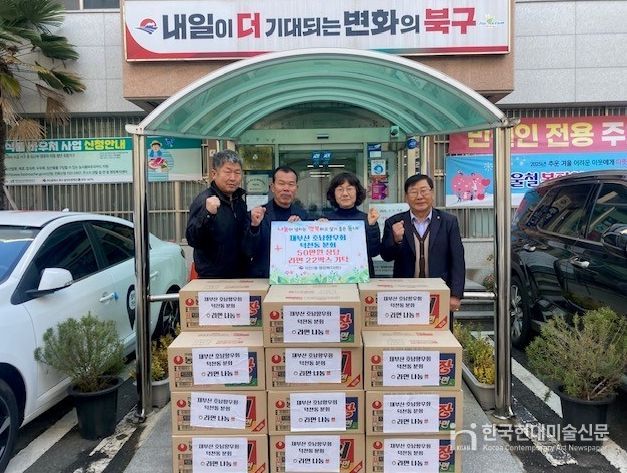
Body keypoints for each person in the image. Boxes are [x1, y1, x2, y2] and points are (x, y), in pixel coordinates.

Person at [380, 173, 465, 318]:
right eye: (413, 192)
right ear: (406, 197)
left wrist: (456, 294)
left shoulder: (448, 222)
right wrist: (396, 240)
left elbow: (457, 260)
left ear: (432, 193)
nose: (419, 196)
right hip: (405, 296)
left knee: (440, 332)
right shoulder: (394, 222)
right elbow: (386, 256)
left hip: (439, 293)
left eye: (424, 191)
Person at [185, 150, 262, 278]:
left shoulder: (239, 202)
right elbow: (193, 239)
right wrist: (208, 214)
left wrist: (254, 226)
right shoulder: (204, 200)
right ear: (214, 174)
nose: (233, 178)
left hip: (240, 276)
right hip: (212, 278)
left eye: (237, 173)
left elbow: (245, 241)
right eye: (227, 172)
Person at [247, 166, 309, 278]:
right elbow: (248, 250)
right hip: (264, 278)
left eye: (291, 184)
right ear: (272, 187)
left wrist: (301, 230)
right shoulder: (257, 214)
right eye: (281, 183)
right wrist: (254, 226)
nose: (286, 188)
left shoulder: (304, 216)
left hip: (295, 277)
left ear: (296, 188)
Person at [325, 172, 380, 277]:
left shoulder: (367, 219)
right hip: (334, 276)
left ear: (357, 192)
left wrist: (371, 226)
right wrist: (320, 228)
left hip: (362, 277)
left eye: (349, 189)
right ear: (333, 194)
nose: (345, 193)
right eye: (340, 189)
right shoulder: (326, 221)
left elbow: (374, 252)